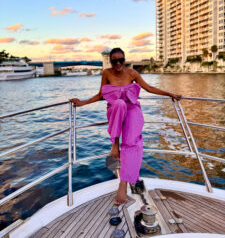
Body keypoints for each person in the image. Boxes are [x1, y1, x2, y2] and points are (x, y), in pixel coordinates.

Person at [70, 48, 181, 205]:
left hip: (132, 109)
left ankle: (123, 184)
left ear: (125, 59)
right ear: (110, 61)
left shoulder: (132, 73)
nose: (118, 63)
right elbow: (100, 94)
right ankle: (115, 145)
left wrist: (170, 94)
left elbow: (149, 88)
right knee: (119, 103)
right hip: (116, 109)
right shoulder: (107, 73)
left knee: (132, 142)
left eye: (121, 59)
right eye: (114, 60)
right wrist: (83, 102)